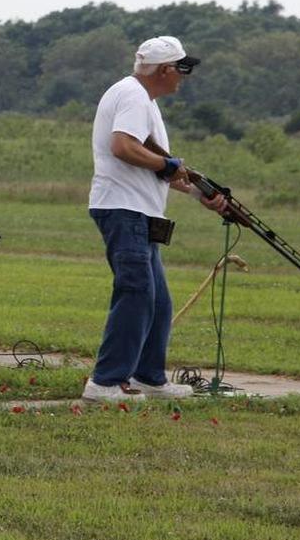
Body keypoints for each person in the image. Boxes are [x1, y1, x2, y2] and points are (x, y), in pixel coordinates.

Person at [83, 36, 228, 402]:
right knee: (136, 293)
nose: (183, 77)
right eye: (181, 69)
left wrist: (199, 194)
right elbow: (123, 147)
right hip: (124, 209)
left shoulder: (141, 99)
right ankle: (105, 382)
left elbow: (154, 166)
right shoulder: (132, 95)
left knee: (157, 300)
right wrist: (168, 164)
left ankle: (149, 377)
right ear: (164, 70)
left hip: (140, 211)